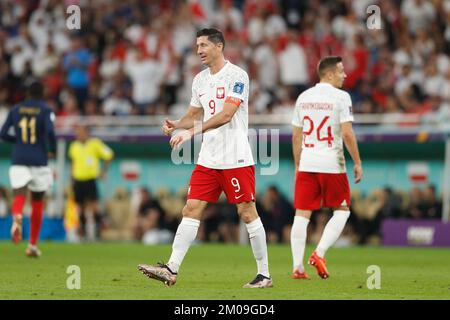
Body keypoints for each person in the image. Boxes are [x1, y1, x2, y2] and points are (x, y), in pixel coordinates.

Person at [138, 28, 272, 289]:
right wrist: (177, 124)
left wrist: (190, 132)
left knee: (246, 213)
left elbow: (226, 115)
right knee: (191, 209)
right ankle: (171, 268)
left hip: (235, 158)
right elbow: (193, 114)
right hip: (208, 159)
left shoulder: (237, 76)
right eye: (197, 45)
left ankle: (264, 274)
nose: (198, 50)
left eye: (203, 45)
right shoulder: (199, 80)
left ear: (219, 46)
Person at [290, 56, 363, 279]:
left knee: (302, 214)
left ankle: (297, 267)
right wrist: (357, 162)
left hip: (307, 162)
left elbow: (296, 137)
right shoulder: (341, 97)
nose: (345, 75)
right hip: (332, 163)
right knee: (342, 210)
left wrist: (297, 165)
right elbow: (348, 133)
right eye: (341, 71)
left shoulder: (303, 97)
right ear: (329, 74)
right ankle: (319, 253)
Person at [0, 81, 56, 257]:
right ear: (42, 94)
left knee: (19, 193)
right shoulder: (45, 110)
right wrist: (51, 150)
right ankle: (32, 245)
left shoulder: (16, 109)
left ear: (27, 94)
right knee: (37, 201)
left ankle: (17, 215)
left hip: (19, 158)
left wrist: (18, 141)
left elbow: (2, 133)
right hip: (39, 159)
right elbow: (49, 132)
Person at [68, 124, 114, 241]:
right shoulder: (74, 146)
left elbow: (109, 155)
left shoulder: (95, 144)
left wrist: (103, 171)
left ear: (87, 133)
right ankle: (83, 232)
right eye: (78, 132)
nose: (79, 134)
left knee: (94, 207)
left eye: (81, 132)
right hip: (78, 180)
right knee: (80, 208)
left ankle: (98, 231)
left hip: (90, 179)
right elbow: (73, 163)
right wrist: (71, 179)